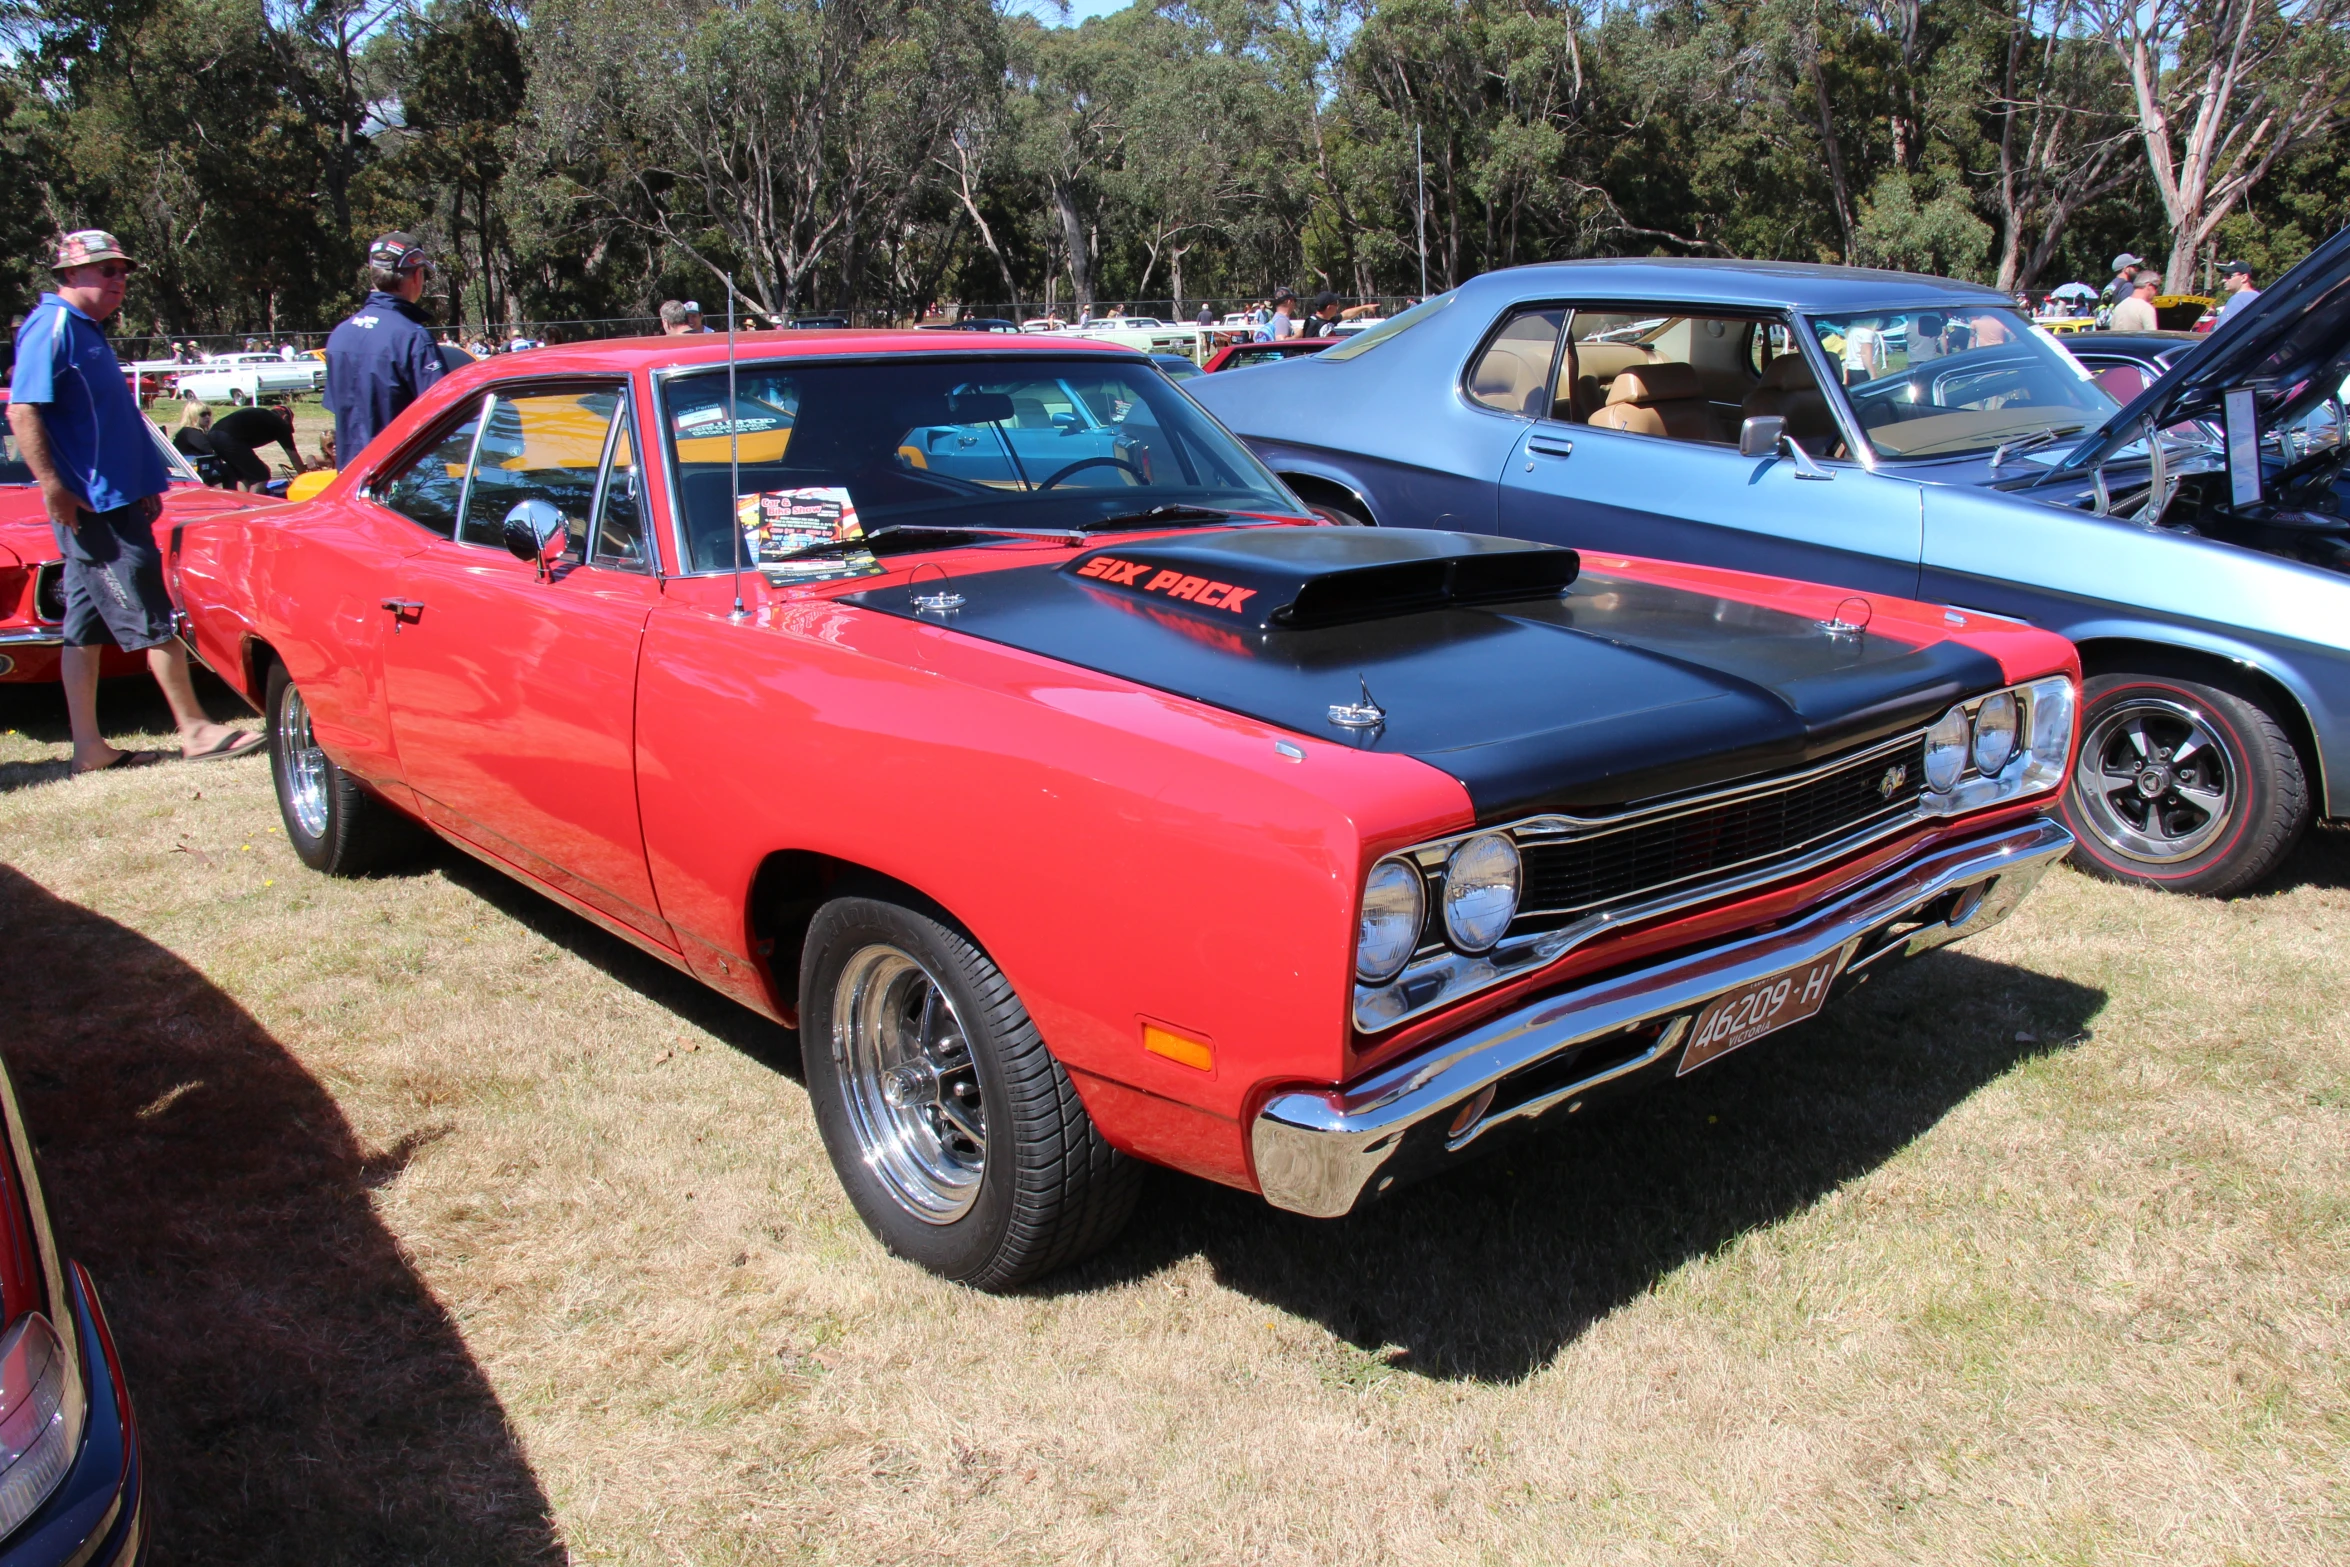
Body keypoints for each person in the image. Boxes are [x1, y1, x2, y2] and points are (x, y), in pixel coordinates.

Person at [8, 229, 259, 774]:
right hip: (95, 508)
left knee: (84, 625)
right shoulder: (52, 329)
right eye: (106, 270)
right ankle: (194, 729)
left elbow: (109, 422)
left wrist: (146, 481)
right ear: (70, 275)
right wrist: (53, 487)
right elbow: (23, 410)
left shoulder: (88, 331)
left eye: (123, 271)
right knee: (152, 612)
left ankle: (89, 748)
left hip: (120, 498)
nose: (119, 280)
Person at [323, 231, 445, 463]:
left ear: (372, 275)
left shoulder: (340, 334)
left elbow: (339, 407)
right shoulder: (412, 337)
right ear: (417, 276)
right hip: (398, 476)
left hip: (350, 478)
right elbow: (443, 415)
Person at [208, 404, 305, 491]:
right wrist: (305, 477)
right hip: (228, 438)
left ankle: (243, 504)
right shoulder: (280, 423)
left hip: (212, 435)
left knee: (244, 476)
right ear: (285, 417)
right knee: (262, 475)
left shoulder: (262, 415)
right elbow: (294, 457)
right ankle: (253, 506)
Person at [2216, 260, 2261, 326]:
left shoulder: (2236, 300)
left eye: (2229, 275)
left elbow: (2224, 331)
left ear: (2244, 278)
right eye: (2224, 276)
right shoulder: (2258, 297)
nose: (2224, 280)